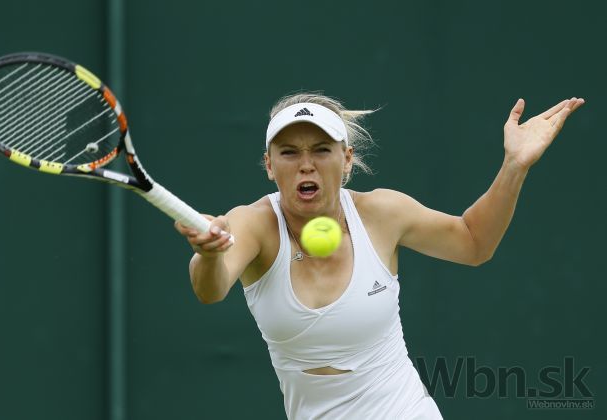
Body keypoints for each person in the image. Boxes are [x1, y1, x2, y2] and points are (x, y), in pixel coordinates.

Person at [175, 93, 584, 419]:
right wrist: (208, 254)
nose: (306, 166)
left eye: (321, 150)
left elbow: (475, 243)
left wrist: (514, 166)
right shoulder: (251, 224)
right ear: (268, 165)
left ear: (347, 159)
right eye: (288, 152)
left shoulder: (383, 213)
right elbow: (210, 288)